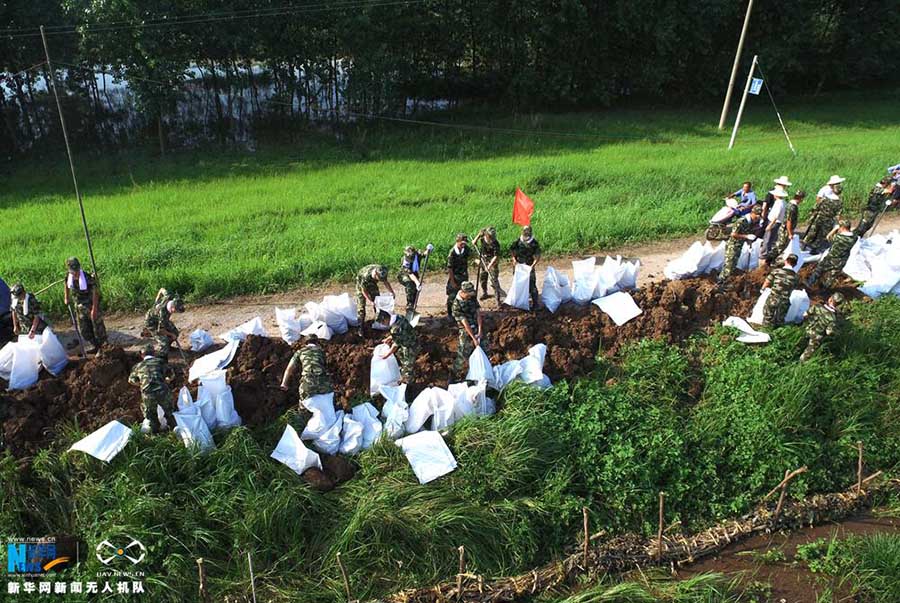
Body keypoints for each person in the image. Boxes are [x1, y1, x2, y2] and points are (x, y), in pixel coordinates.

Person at [128, 344, 175, 434]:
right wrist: (167, 380)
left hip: (148, 393)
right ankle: (175, 430)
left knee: (151, 416)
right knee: (169, 412)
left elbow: (131, 380)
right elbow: (171, 375)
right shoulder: (160, 362)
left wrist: (142, 384)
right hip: (162, 391)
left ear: (142, 355)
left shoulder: (138, 366)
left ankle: (155, 434)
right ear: (154, 353)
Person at [64, 257, 107, 349]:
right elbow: (66, 285)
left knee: (98, 328)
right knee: (84, 330)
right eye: (73, 271)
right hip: (79, 307)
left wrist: (94, 309)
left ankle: (104, 347)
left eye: (76, 270)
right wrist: (66, 297)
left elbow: (95, 293)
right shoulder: (69, 276)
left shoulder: (87, 278)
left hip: (91, 305)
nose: (75, 273)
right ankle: (95, 346)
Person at [280, 335, 333, 405]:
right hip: (323, 383)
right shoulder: (321, 351)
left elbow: (289, 369)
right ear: (317, 343)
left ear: (305, 343)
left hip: (307, 384)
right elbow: (327, 367)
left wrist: (284, 384)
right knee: (327, 405)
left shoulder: (300, 352)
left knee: (305, 407)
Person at [806, 220, 859, 288]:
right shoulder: (854, 238)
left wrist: (834, 229)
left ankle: (809, 284)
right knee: (831, 277)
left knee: (819, 270)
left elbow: (828, 237)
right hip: (841, 261)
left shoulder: (838, 237)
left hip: (831, 259)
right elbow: (853, 234)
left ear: (842, 227)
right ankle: (823, 291)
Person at [451, 281, 487, 379]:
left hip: (475, 325)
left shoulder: (471, 297)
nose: (471, 295)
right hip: (465, 329)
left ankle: (485, 372)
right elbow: (465, 323)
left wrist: (480, 330)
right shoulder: (456, 305)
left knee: (485, 348)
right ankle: (455, 375)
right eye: (469, 294)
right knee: (463, 353)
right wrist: (474, 339)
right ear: (463, 292)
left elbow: (478, 314)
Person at [717, 205, 761, 285]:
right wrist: (746, 236)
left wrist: (749, 243)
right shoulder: (741, 221)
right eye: (757, 215)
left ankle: (726, 281)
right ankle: (721, 282)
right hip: (733, 245)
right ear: (752, 213)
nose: (758, 217)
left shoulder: (750, 222)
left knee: (733, 265)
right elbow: (733, 234)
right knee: (729, 265)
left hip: (738, 246)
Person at [802, 176, 844, 253]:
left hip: (820, 217)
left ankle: (804, 245)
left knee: (813, 231)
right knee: (821, 235)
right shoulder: (840, 202)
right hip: (829, 220)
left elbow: (816, 206)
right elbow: (839, 214)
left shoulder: (825, 199)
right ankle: (814, 249)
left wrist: (812, 215)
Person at [800, 293, 845, 362]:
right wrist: (836, 333)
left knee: (800, 342)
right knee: (809, 351)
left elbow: (805, 314)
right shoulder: (833, 318)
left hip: (807, 329)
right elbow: (829, 332)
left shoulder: (817, 306)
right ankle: (801, 363)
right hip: (817, 336)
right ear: (839, 304)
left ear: (830, 299)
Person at [144, 288, 185, 358]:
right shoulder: (163, 314)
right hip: (152, 323)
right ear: (172, 308)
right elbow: (161, 330)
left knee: (175, 332)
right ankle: (161, 356)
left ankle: (168, 347)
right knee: (164, 341)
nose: (176, 312)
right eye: (176, 311)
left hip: (160, 319)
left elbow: (161, 289)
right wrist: (171, 334)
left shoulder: (168, 297)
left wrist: (156, 301)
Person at [767, 190, 805, 263]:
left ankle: (770, 260)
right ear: (801, 198)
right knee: (780, 247)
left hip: (785, 228)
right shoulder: (792, 207)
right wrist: (790, 233)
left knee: (780, 246)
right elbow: (789, 221)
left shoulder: (790, 204)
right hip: (785, 230)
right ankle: (769, 261)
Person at [509, 225, 542, 310]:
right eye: (525, 233)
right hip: (519, 266)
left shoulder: (534, 243)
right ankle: (518, 302)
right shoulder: (517, 241)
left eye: (528, 233)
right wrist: (514, 260)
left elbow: (537, 257)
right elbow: (512, 251)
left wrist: (532, 266)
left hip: (528, 266)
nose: (526, 235)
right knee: (518, 284)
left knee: (532, 285)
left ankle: (535, 304)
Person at [761, 255, 800, 327]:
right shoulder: (796, 276)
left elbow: (767, 281)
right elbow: (795, 287)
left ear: (786, 261)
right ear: (795, 264)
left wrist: (762, 289)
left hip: (773, 298)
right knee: (780, 320)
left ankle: (765, 331)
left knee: (768, 318)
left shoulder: (776, 271)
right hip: (784, 301)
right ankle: (777, 333)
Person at [355, 264, 395, 335]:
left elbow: (386, 282)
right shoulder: (365, 276)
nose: (381, 280)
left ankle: (379, 322)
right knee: (361, 307)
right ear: (376, 274)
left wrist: (392, 292)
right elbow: (363, 291)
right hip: (361, 287)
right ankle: (360, 327)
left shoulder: (381, 271)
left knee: (377, 302)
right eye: (380, 279)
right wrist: (370, 301)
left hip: (372, 284)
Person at [380, 315, 418, 383]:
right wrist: (389, 338)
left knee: (408, 364)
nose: (383, 325)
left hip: (410, 345)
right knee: (399, 354)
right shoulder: (399, 317)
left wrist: (387, 354)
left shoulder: (395, 329)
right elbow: (401, 331)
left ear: (385, 319)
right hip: (413, 337)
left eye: (383, 323)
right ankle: (405, 369)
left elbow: (395, 345)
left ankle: (408, 382)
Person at [473, 226, 505, 302]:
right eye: (490, 237)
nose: (491, 238)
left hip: (492, 262)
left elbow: (496, 256)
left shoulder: (496, 243)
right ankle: (485, 293)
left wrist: (489, 266)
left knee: (494, 280)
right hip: (483, 260)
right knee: (483, 278)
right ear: (487, 235)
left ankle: (498, 298)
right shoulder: (482, 237)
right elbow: (474, 242)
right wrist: (477, 238)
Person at [446, 233, 471, 319]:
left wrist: (478, 262)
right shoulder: (452, 253)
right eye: (462, 243)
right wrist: (452, 282)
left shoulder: (466, 249)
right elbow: (450, 269)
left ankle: (463, 311)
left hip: (464, 276)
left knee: (465, 294)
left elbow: (472, 256)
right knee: (452, 296)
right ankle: (450, 314)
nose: (463, 245)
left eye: (465, 243)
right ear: (458, 241)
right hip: (455, 277)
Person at [761, 188, 788, 262]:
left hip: (773, 222)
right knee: (769, 238)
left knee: (767, 239)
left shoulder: (779, 203)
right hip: (775, 222)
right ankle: (766, 253)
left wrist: (770, 225)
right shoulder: (782, 202)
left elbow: (776, 216)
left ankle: (764, 254)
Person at [397, 246, 427, 310]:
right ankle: (409, 304)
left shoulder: (417, 254)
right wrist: (417, 282)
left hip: (414, 274)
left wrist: (429, 249)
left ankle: (413, 305)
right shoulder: (405, 261)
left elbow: (424, 254)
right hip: (403, 275)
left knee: (415, 291)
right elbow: (410, 273)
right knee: (410, 283)